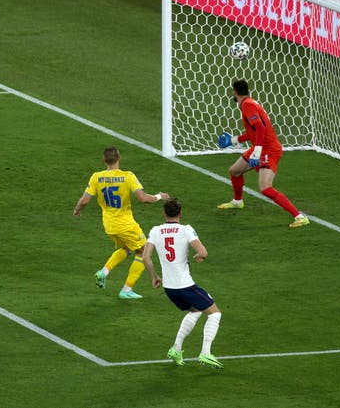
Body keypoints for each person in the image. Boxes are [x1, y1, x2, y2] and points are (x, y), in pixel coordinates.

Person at [73, 146, 169, 299]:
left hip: (109, 225)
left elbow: (84, 200)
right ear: (119, 158)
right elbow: (143, 198)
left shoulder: (96, 177)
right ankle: (126, 289)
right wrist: (159, 196)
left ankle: (103, 272)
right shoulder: (128, 176)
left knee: (127, 248)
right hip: (126, 224)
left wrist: (77, 210)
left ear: (104, 160)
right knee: (143, 252)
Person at [217, 79, 309, 228]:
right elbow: (253, 131)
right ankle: (237, 202)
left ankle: (300, 217)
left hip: (269, 149)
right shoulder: (250, 103)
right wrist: (234, 140)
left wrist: (257, 152)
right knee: (235, 171)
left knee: (265, 188)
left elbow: (259, 128)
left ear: (235, 92)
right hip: (260, 147)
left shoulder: (247, 105)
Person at [143, 198, 222, 369]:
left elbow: (146, 257)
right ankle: (206, 352)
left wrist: (154, 276)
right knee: (214, 313)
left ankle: (176, 348)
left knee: (195, 311)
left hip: (169, 288)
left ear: (164, 213)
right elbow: (203, 252)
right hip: (185, 286)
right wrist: (199, 256)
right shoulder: (186, 230)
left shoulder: (156, 231)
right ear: (180, 213)